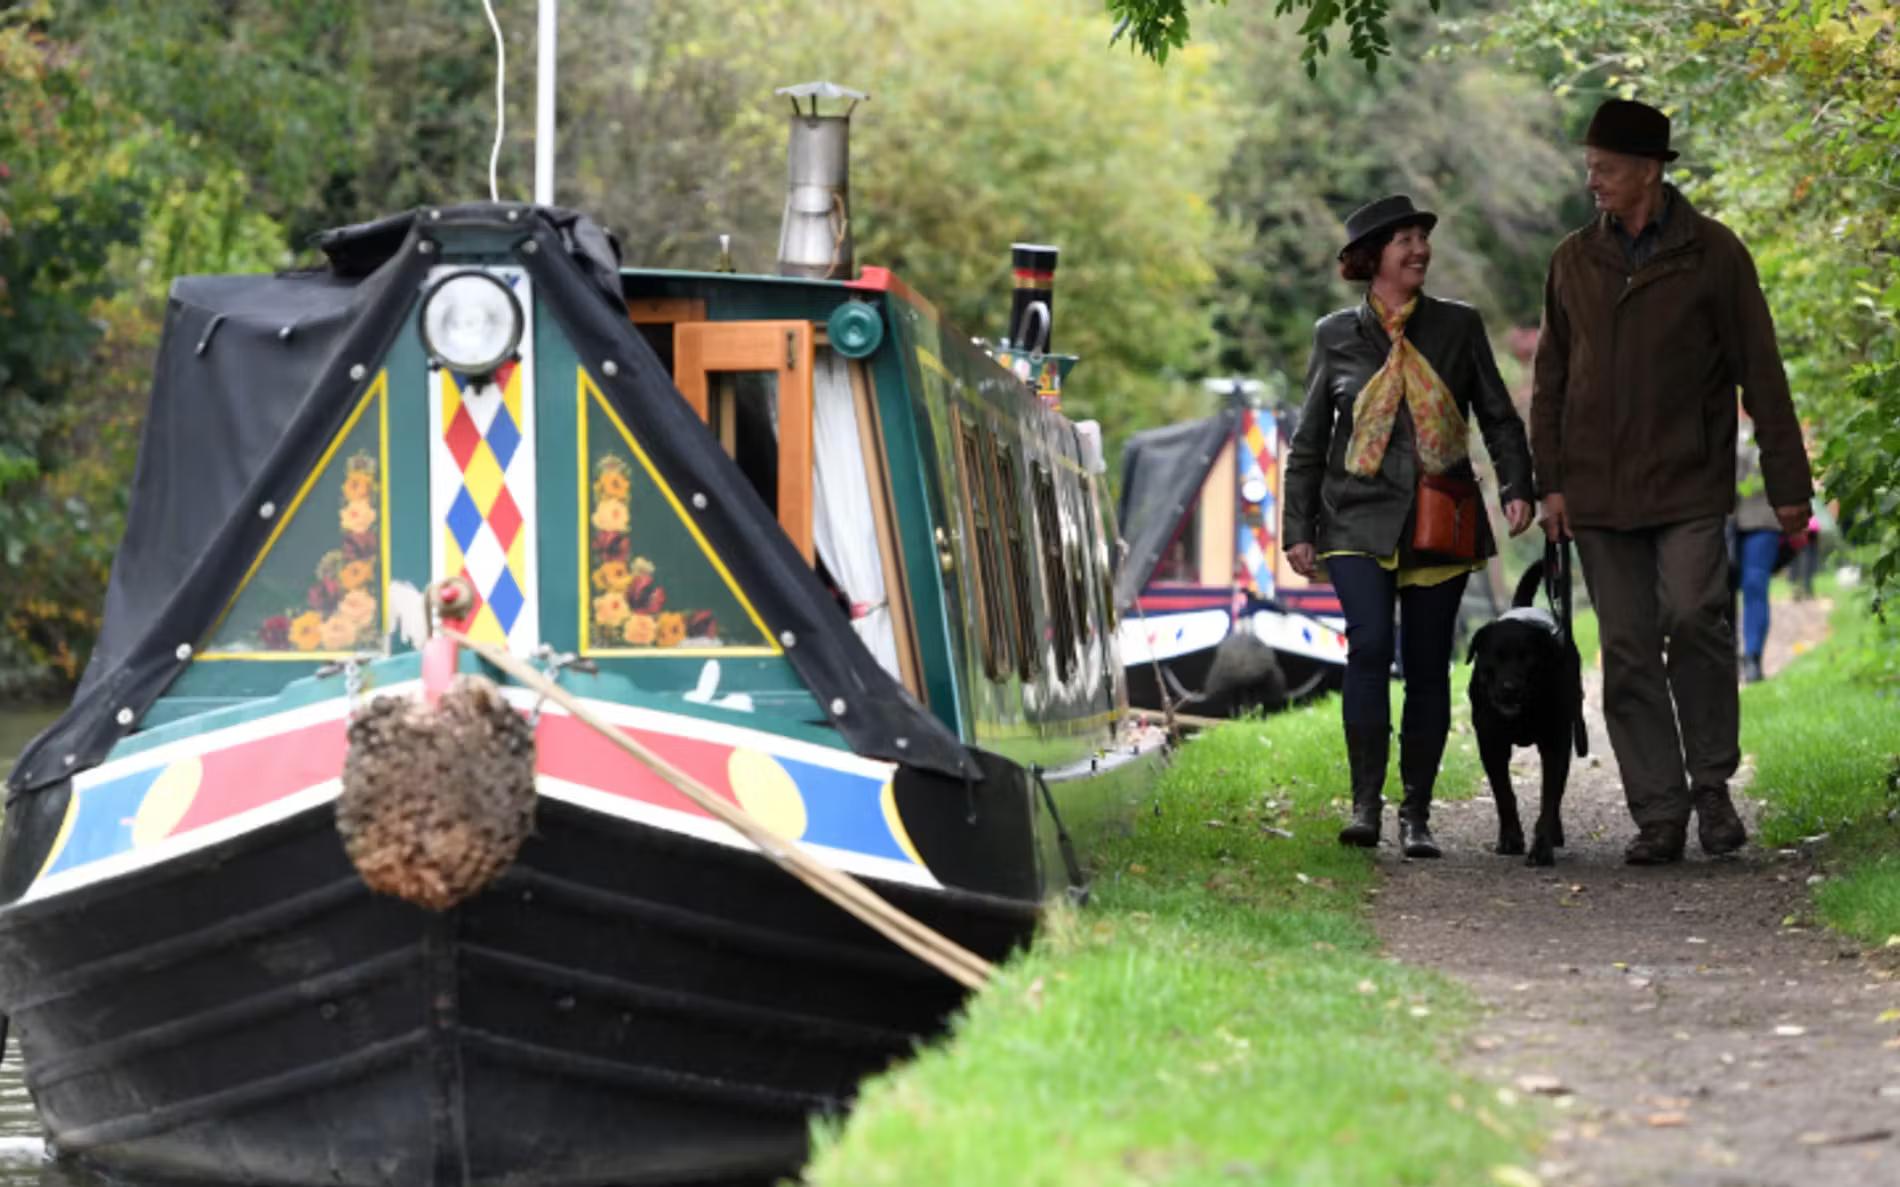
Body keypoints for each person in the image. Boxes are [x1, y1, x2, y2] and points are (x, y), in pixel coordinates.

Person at [1530, 99, 1812, 865]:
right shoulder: (1571, 260)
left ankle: (1711, 784)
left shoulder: (1715, 254)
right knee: (1624, 648)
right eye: (1590, 167)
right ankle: (1659, 811)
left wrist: (1789, 483)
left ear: (1650, 171)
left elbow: (1762, 372)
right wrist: (1548, 483)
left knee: (1694, 617)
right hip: (1597, 490)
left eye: (1607, 169)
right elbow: (1550, 379)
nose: (1593, 182)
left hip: (1689, 482)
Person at [1284, 195, 1536, 858]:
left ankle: (1416, 813)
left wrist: (1516, 486)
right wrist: (1297, 527)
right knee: (1368, 647)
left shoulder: (1458, 327)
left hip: (1440, 517)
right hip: (1354, 520)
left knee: (1428, 666)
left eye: (1423, 238)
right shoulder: (1334, 335)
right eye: (1405, 240)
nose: (1420, 249)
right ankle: (1366, 804)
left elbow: (1497, 416)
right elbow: (1309, 440)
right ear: (1373, 258)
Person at [1732, 418, 1782, 684]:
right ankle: (1726, 655)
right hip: (1723, 522)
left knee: (1754, 584)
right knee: (1717, 589)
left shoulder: (1769, 429)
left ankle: (1752, 656)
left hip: (1762, 520)